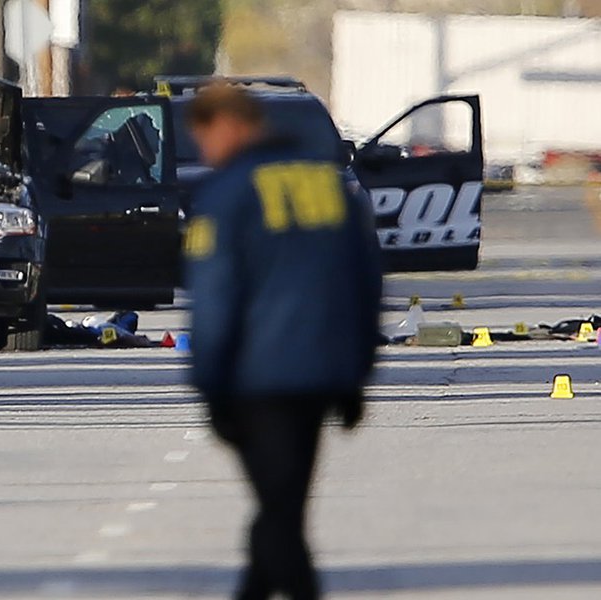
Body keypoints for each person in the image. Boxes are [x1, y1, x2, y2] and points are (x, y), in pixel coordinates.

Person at [182, 84, 382, 599]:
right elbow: (366, 282)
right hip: (321, 374)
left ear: (228, 125)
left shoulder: (226, 195)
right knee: (283, 504)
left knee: (279, 513)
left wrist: (210, 385)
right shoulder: (331, 186)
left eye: (204, 137)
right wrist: (358, 370)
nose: (204, 151)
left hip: (258, 378)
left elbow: (216, 298)